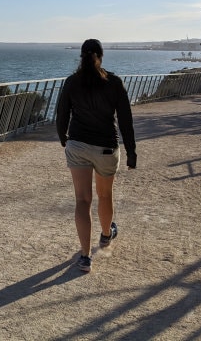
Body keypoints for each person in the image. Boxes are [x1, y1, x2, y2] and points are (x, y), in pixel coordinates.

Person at [56, 38, 137, 273]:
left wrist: (64, 138)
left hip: (78, 145)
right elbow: (125, 121)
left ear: (81, 56)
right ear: (101, 56)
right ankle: (105, 235)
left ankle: (84, 257)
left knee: (82, 201)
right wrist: (131, 152)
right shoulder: (114, 83)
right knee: (104, 195)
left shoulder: (72, 82)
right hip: (105, 148)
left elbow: (62, 114)